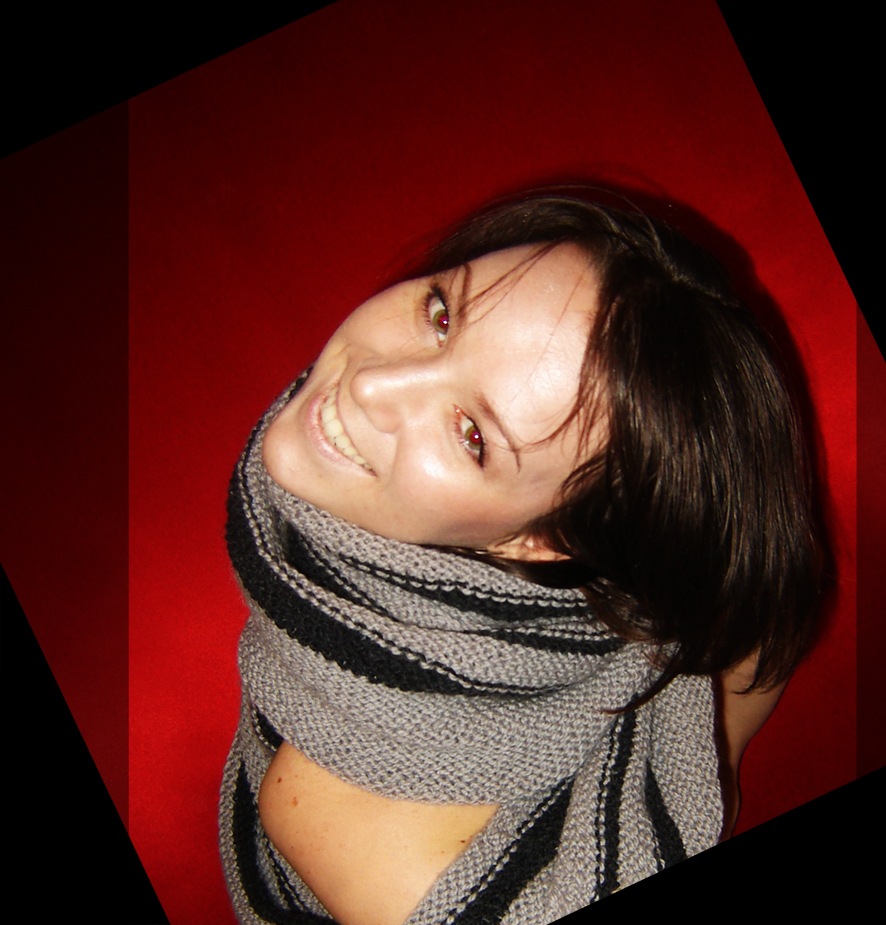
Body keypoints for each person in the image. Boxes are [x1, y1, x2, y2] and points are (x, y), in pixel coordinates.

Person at [218, 191, 823, 925]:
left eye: (472, 435)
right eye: (442, 315)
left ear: (537, 542)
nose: (373, 383)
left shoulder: (340, 813)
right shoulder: (720, 631)